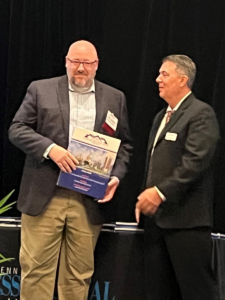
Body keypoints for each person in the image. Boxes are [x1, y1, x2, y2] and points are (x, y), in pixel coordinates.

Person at [8, 40, 132, 300]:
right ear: (66, 61)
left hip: (87, 200)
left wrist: (116, 177)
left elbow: (124, 146)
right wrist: (50, 148)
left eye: (87, 63)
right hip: (45, 196)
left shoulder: (114, 97)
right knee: (36, 271)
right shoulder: (40, 89)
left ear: (96, 65)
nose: (80, 68)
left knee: (79, 275)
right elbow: (17, 129)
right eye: (75, 61)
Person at [136, 55, 219, 300]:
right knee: (158, 292)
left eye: (164, 74)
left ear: (183, 80)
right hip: (156, 225)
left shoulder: (201, 114)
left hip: (187, 225)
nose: (157, 79)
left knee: (197, 292)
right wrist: (146, 196)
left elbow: (195, 162)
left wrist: (158, 193)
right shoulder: (161, 117)